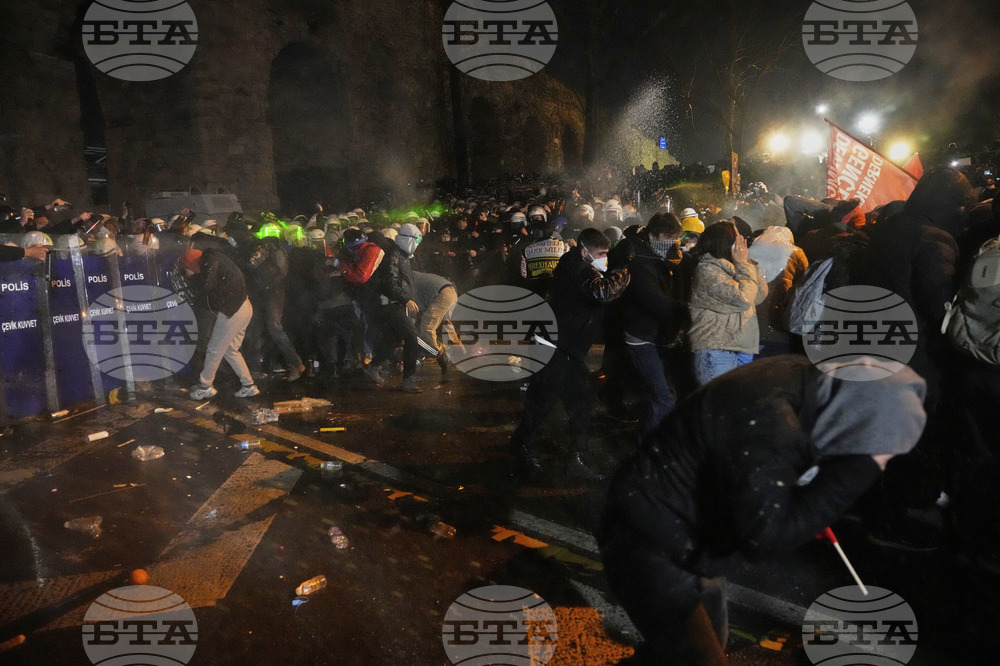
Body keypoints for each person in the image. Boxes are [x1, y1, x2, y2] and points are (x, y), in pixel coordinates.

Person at [601, 355, 927, 665]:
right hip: (650, 535)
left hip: (687, 527)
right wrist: (858, 471)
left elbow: (769, 476)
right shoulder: (773, 422)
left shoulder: (807, 382)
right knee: (698, 657)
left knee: (692, 646)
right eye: (876, 448)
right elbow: (764, 537)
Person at [510, 228, 630, 480]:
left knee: (581, 404)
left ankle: (575, 457)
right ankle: (521, 445)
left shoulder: (582, 266)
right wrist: (623, 270)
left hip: (567, 347)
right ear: (584, 251)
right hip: (553, 346)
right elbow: (602, 292)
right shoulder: (578, 268)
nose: (604, 258)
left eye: (607, 254)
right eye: (601, 254)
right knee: (543, 402)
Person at [623, 212, 695, 439]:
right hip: (642, 336)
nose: (672, 243)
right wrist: (691, 309)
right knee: (664, 398)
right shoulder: (641, 263)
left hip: (660, 334)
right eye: (667, 237)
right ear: (653, 235)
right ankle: (646, 445)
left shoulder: (663, 256)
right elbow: (657, 303)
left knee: (668, 392)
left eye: (674, 238)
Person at [687, 221, 767, 385]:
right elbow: (743, 298)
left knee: (735, 406)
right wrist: (743, 264)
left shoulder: (735, 267)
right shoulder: (707, 271)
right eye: (736, 237)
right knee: (719, 405)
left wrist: (747, 264)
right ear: (725, 242)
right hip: (716, 349)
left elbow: (758, 295)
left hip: (741, 347)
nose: (741, 241)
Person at [177, 248, 260, 400]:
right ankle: (249, 386)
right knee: (231, 349)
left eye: (187, 268)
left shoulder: (209, 262)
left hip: (233, 310)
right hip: (244, 306)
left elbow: (205, 287)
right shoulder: (214, 259)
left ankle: (205, 387)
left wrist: (192, 277)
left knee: (214, 349)